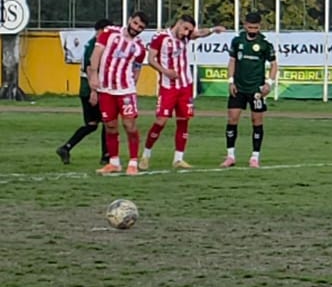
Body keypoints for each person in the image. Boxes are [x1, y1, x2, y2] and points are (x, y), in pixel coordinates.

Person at [141, 14, 227, 170]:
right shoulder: (161, 38)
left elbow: (200, 33)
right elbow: (151, 59)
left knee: (183, 120)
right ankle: (146, 155)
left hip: (185, 85)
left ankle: (178, 158)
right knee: (161, 121)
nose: (187, 33)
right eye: (185, 28)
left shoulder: (186, 36)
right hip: (168, 86)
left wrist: (214, 29)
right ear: (178, 24)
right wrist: (165, 71)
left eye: (189, 30)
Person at [85, 11, 151, 176]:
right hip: (106, 89)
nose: (136, 28)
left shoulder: (140, 47)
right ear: (129, 20)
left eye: (141, 27)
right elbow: (96, 55)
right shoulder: (110, 33)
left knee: (129, 125)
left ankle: (133, 162)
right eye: (135, 24)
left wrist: (132, 85)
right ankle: (114, 162)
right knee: (110, 126)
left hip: (125, 90)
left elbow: (137, 68)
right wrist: (93, 76)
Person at [222, 11, 279, 168]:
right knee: (232, 119)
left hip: (256, 90)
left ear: (259, 27)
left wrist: (269, 83)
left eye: (256, 27)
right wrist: (230, 81)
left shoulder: (265, 44)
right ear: (245, 25)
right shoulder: (237, 41)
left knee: (257, 121)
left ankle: (255, 157)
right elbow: (232, 61)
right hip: (238, 88)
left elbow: (274, 65)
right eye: (250, 27)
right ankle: (230, 156)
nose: (253, 30)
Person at [55, 19, 112, 166]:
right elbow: (89, 68)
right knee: (107, 122)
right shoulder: (94, 45)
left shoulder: (95, 44)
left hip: (87, 89)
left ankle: (66, 147)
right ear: (99, 30)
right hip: (90, 89)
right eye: (106, 30)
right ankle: (105, 156)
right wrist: (94, 91)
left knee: (93, 124)